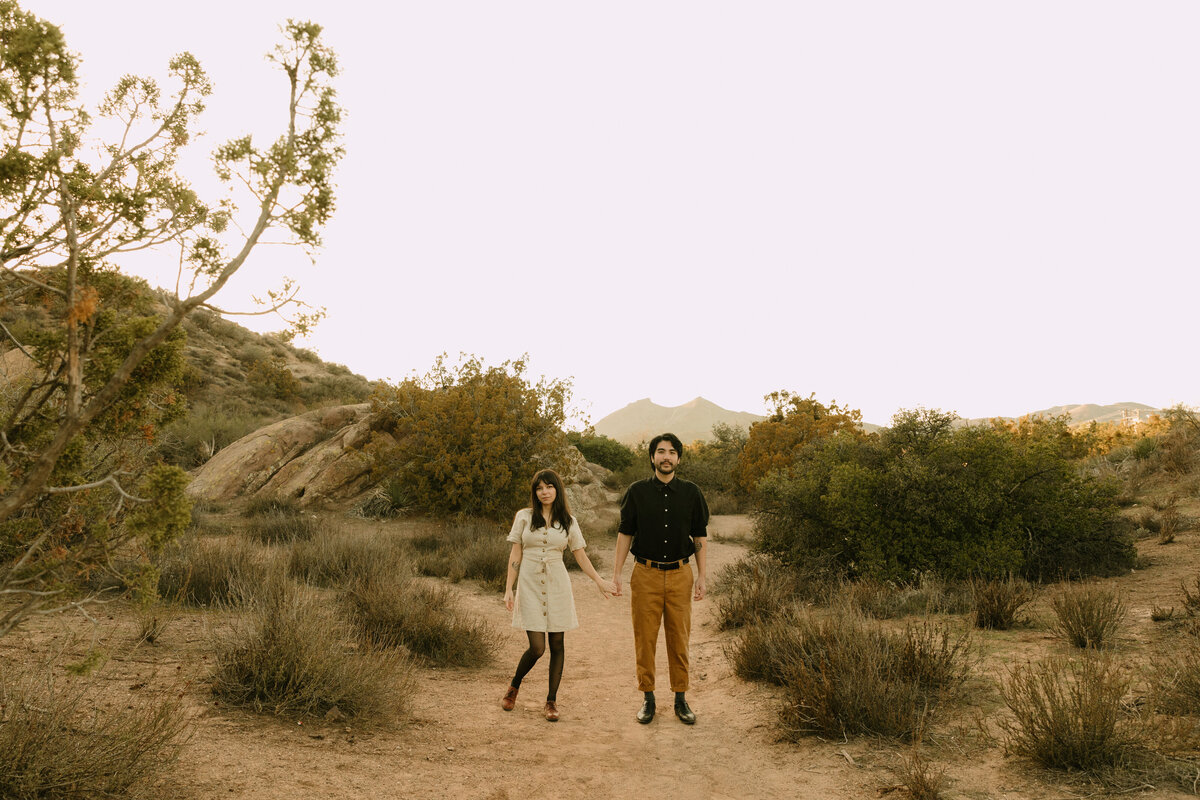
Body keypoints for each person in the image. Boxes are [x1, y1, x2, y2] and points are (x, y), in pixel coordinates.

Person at [501, 468, 615, 721]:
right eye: (539, 488)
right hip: (529, 583)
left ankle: (551, 701)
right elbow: (515, 554)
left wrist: (599, 580)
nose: (544, 492)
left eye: (549, 486)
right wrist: (509, 588)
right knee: (537, 647)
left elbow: (580, 555)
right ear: (535, 492)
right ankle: (514, 686)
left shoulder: (569, 522)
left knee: (557, 644)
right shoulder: (524, 517)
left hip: (557, 584)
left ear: (557, 489)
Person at [611, 432, 708, 725]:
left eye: (672, 452)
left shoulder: (692, 493)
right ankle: (648, 699)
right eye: (661, 451)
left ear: (678, 458)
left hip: (681, 574)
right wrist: (616, 573)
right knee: (645, 639)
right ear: (652, 456)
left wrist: (702, 576)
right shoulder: (637, 492)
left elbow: (700, 536)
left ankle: (681, 699)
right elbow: (625, 533)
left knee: (679, 638)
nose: (666, 457)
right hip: (645, 574)